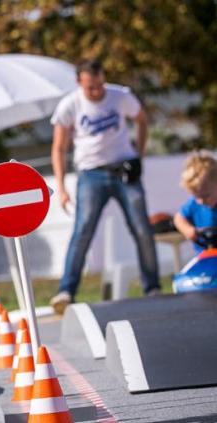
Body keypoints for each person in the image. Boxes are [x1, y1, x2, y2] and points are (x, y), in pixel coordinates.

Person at [49, 59, 160, 313]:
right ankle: (66, 290)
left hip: (124, 169)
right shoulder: (70, 106)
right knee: (83, 229)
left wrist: (138, 153)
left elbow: (142, 120)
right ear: (79, 83)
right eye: (91, 88)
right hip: (91, 174)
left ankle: (152, 287)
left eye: (100, 85)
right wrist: (62, 187)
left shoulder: (121, 96)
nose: (97, 92)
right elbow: (58, 148)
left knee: (142, 227)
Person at [174, 152, 217, 251]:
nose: (201, 201)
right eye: (197, 197)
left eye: (206, 196)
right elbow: (178, 218)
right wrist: (188, 230)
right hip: (204, 257)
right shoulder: (193, 205)